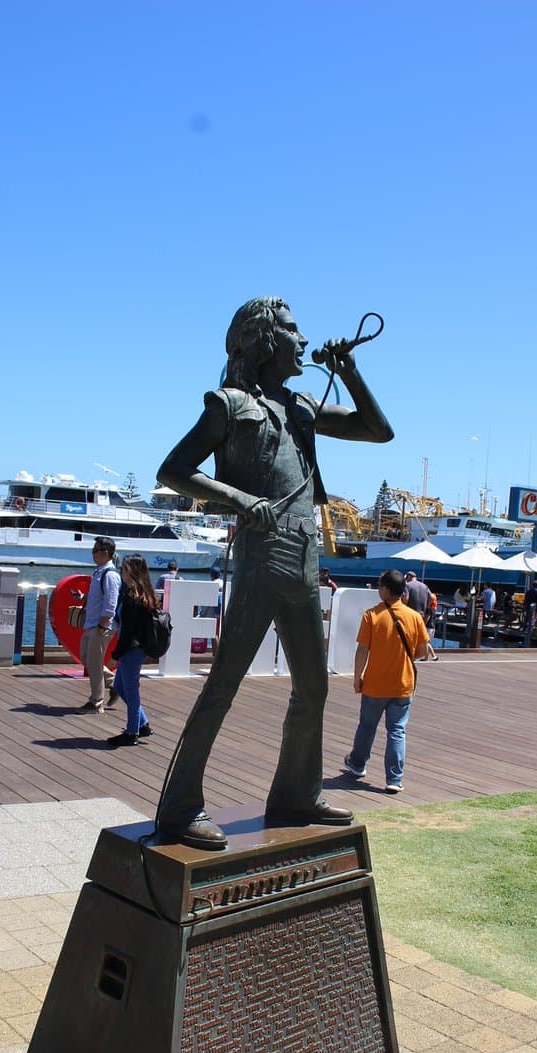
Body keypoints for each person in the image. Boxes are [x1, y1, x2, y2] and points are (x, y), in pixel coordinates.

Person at [154, 295, 393, 849]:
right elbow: (173, 470)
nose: (304, 339)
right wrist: (241, 500)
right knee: (223, 685)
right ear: (264, 341)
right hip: (262, 556)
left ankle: (295, 794)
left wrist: (350, 372)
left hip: (306, 557)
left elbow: (378, 430)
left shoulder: (302, 408)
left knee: (313, 687)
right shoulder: (231, 405)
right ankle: (179, 806)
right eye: (292, 329)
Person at [343, 569, 427, 793]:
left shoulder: (372, 615)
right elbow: (421, 652)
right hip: (403, 684)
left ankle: (358, 764)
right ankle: (394, 778)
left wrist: (357, 677)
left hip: (375, 684)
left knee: (367, 727)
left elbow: (363, 649)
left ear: (386, 589)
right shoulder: (415, 617)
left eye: (380, 586)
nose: (378, 589)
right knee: (397, 730)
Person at [107, 555, 155, 747]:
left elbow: (127, 632)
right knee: (120, 686)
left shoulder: (132, 598)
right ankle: (141, 724)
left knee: (131, 691)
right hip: (137, 649)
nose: (122, 572)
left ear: (133, 571)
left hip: (131, 651)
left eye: (125, 569)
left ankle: (132, 731)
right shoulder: (144, 594)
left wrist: (115, 656)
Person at [77, 537, 121, 712]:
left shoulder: (110, 575)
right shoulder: (99, 572)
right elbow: (98, 596)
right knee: (86, 657)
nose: (93, 553)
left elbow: (110, 603)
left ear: (105, 553)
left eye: (95, 550)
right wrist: (83, 597)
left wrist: (103, 626)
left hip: (100, 626)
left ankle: (96, 702)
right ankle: (114, 684)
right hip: (92, 624)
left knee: (94, 663)